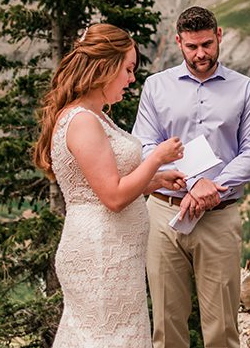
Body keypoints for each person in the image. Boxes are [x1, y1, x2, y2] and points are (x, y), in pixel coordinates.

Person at [34, 23, 188, 348]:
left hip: (115, 253)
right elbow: (113, 197)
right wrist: (157, 158)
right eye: (128, 69)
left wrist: (155, 181)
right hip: (101, 253)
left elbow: (109, 181)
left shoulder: (97, 115)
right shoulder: (82, 121)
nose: (132, 79)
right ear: (106, 67)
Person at [133, 6, 250, 348]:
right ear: (179, 42)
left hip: (219, 217)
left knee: (222, 327)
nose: (201, 54)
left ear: (219, 36)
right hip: (164, 214)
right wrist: (195, 183)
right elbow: (145, 147)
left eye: (207, 44)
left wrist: (213, 189)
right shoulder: (155, 87)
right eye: (192, 47)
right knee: (166, 324)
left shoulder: (245, 89)